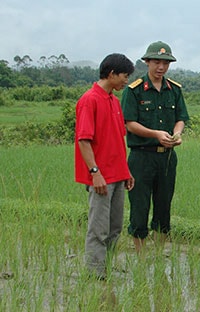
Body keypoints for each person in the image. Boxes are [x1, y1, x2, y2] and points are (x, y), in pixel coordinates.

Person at [121, 41, 189, 253]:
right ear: (147, 62)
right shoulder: (134, 90)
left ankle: (158, 255)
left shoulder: (174, 90)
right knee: (139, 206)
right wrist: (155, 134)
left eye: (165, 63)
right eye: (157, 62)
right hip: (141, 157)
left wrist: (177, 134)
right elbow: (129, 123)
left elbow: (181, 118)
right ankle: (141, 256)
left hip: (167, 158)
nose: (161, 67)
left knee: (163, 205)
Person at [74, 53, 135, 280]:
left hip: (118, 175)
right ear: (111, 74)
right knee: (98, 229)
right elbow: (84, 140)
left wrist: (126, 171)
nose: (125, 81)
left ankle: (105, 269)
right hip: (100, 177)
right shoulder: (89, 100)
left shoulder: (114, 101)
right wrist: (95, 173)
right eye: (124, 76)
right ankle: (93, 275)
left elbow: (118, 140)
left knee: (115, 228)